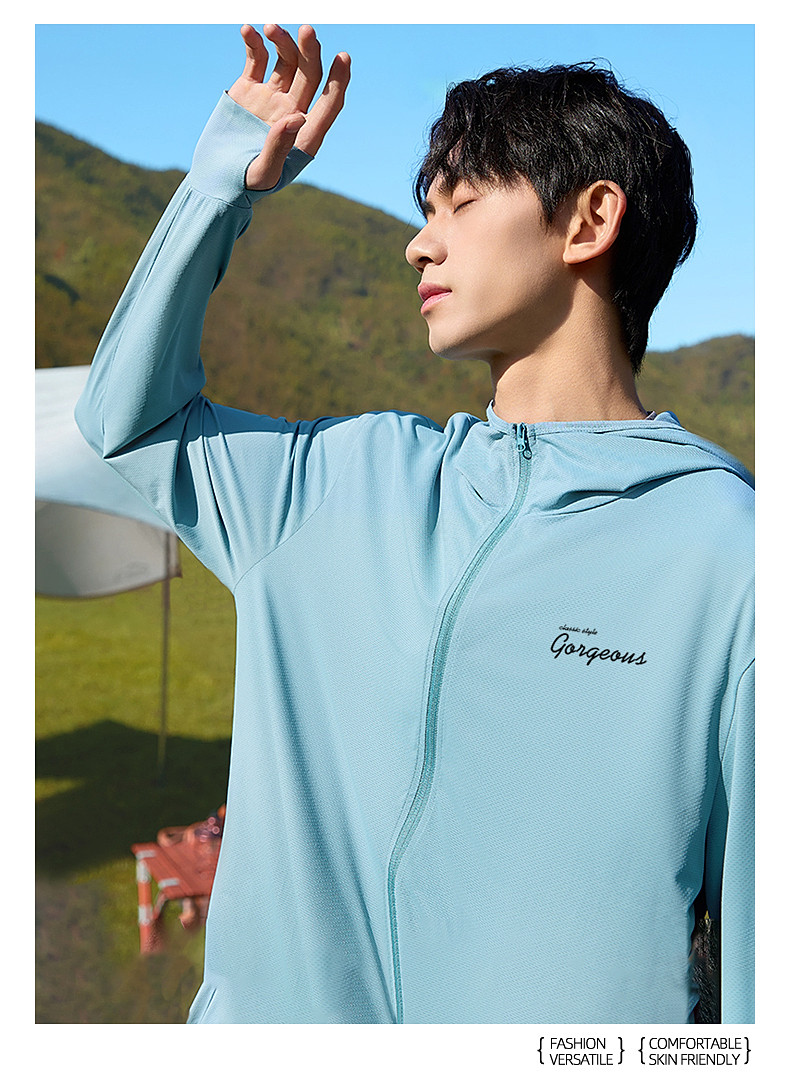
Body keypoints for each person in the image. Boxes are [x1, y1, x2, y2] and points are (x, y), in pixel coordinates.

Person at [75, 24, 754, 1024]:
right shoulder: (339, 481)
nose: (418, 242)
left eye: (461, 203)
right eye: (424, 210)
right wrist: (224, 184)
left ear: (590, 220)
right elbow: (126, 424)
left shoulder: (729, 557)